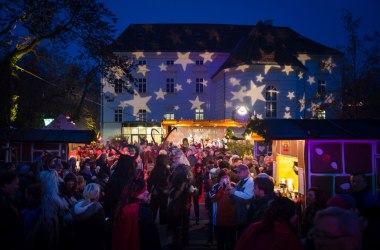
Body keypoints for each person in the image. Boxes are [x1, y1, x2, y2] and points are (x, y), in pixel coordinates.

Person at [235, 197, 303, 250]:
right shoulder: (287, 235)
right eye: (295, 213)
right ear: (288, 214)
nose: (296, 216)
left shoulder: (254, 227)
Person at [112, 178, 161, 250]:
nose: (147, 192)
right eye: (144, 190)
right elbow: (152, 239)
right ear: (135, 193)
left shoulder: (121, 208)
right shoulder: (145, 212)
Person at [73, 183, 106, 250]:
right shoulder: (98, 208)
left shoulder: (77, 205)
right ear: (97, 194)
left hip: (79, 242)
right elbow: (102, 229)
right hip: (94, 243)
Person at [0, 168, 23, 250]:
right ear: (6, 183)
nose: (17, 187)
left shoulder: (7, 198)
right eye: (16, 184)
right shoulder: (2, 202)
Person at [229, 164, 254, 239]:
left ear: (246, 172)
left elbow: (247, 197)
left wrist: (234, 192)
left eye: (239, 172)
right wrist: (234, 186)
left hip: (245, 214)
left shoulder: (250, 182)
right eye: (237, 172)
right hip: (240, 213)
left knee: (243, 235)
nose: (237, 174)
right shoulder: (242, 180)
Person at [147, 153, 171, 224]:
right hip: (162, 191)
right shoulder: (165, 169)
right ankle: (162, 221)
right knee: (162, 207)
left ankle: (152, 220)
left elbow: (150, 181)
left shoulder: (156, 170)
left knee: (154, 207)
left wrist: (149, 190)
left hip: (157, 191)